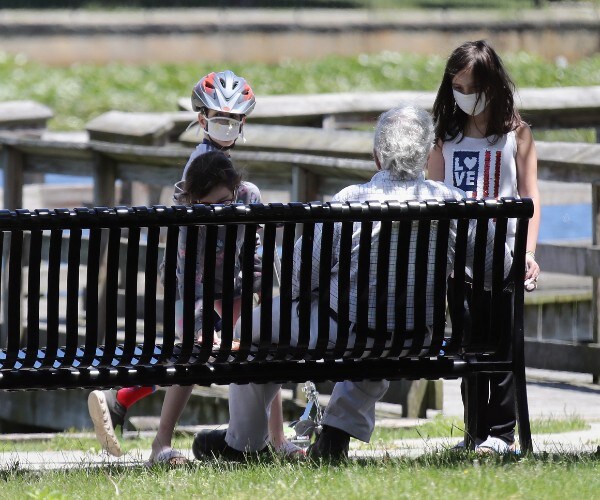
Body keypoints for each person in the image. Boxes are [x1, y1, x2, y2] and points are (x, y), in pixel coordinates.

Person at [191, 103, 514, 462]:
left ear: (377, 156)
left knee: (256, 325)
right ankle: (335, 433)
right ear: (426, 156)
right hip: (419, 335)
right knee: (377, 334)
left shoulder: (351, 201)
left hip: (343, 331)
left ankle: (242, 443)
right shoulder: (451, 201)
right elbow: (497, 271)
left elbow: (297, 279)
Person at [88, 71, 301, 464]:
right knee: (200, 353)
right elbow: (189, 257)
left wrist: (252, 278)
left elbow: (251, 242)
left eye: (232, 120)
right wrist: (203, 311)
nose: (226, 126)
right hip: (199, 284)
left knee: (251, 350)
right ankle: (160, 440)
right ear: (202, 120)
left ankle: (127, 402)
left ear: (243, 124)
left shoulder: (234, 180)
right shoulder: (198, 176)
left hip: (230, 283)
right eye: (218, 118)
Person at [427, 39, 541, 454]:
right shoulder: (445, 138)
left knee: (504, 347)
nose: (465, 96)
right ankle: (474, 432)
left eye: (472, 88)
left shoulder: (518, 134)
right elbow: (435, 198)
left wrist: (528, 253)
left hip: (505, 257)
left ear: (492, 86)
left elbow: (531, 197)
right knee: (468, 346)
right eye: (457, 87)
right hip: (460, 262)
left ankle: (503, 433)